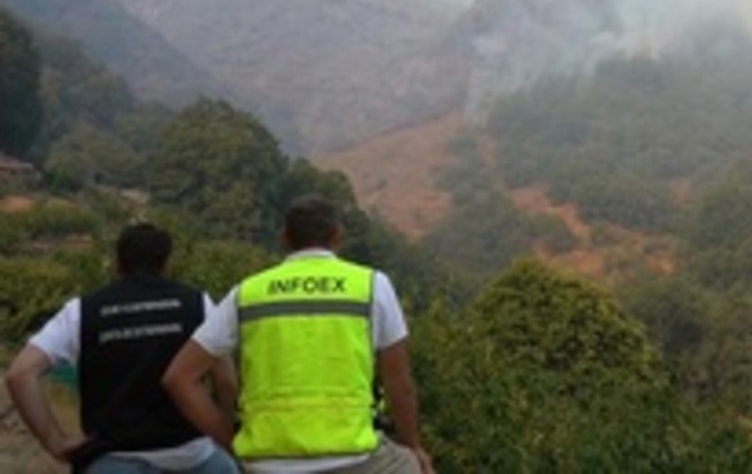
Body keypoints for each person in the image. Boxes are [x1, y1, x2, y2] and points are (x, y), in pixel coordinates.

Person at [164, 194, 434, 474]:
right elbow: (398, 381)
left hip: (267, 462)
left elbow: (179, 377)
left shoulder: (247, 293)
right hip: (354, 457)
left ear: (284, 238)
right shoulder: (371, 285)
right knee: (410, 464)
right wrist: (413, 446)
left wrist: (229, 441)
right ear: (338, 235)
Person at [4, 222, 239, 473]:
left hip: (113, 458)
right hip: (193, 458)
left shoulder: (83, 311)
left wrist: (54, 440)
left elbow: (20, 373)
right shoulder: (198, 304)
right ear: (168, 263)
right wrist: (224, 433)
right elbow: (226, 380)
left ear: (118, 263)